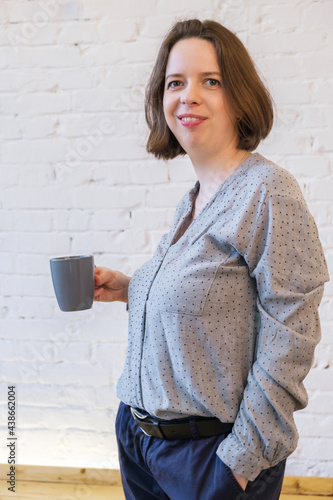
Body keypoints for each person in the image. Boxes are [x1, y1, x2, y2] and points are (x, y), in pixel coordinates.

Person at [94, 19, 329, 500]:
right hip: (141, 440)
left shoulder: (267, 192)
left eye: (211, 81)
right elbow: (210, 297)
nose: (189, 95)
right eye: (175, 82)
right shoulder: (195, 198)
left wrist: (240, 462)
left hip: (209, 457)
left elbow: (293, 333)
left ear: (239, 95)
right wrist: (130, 288)